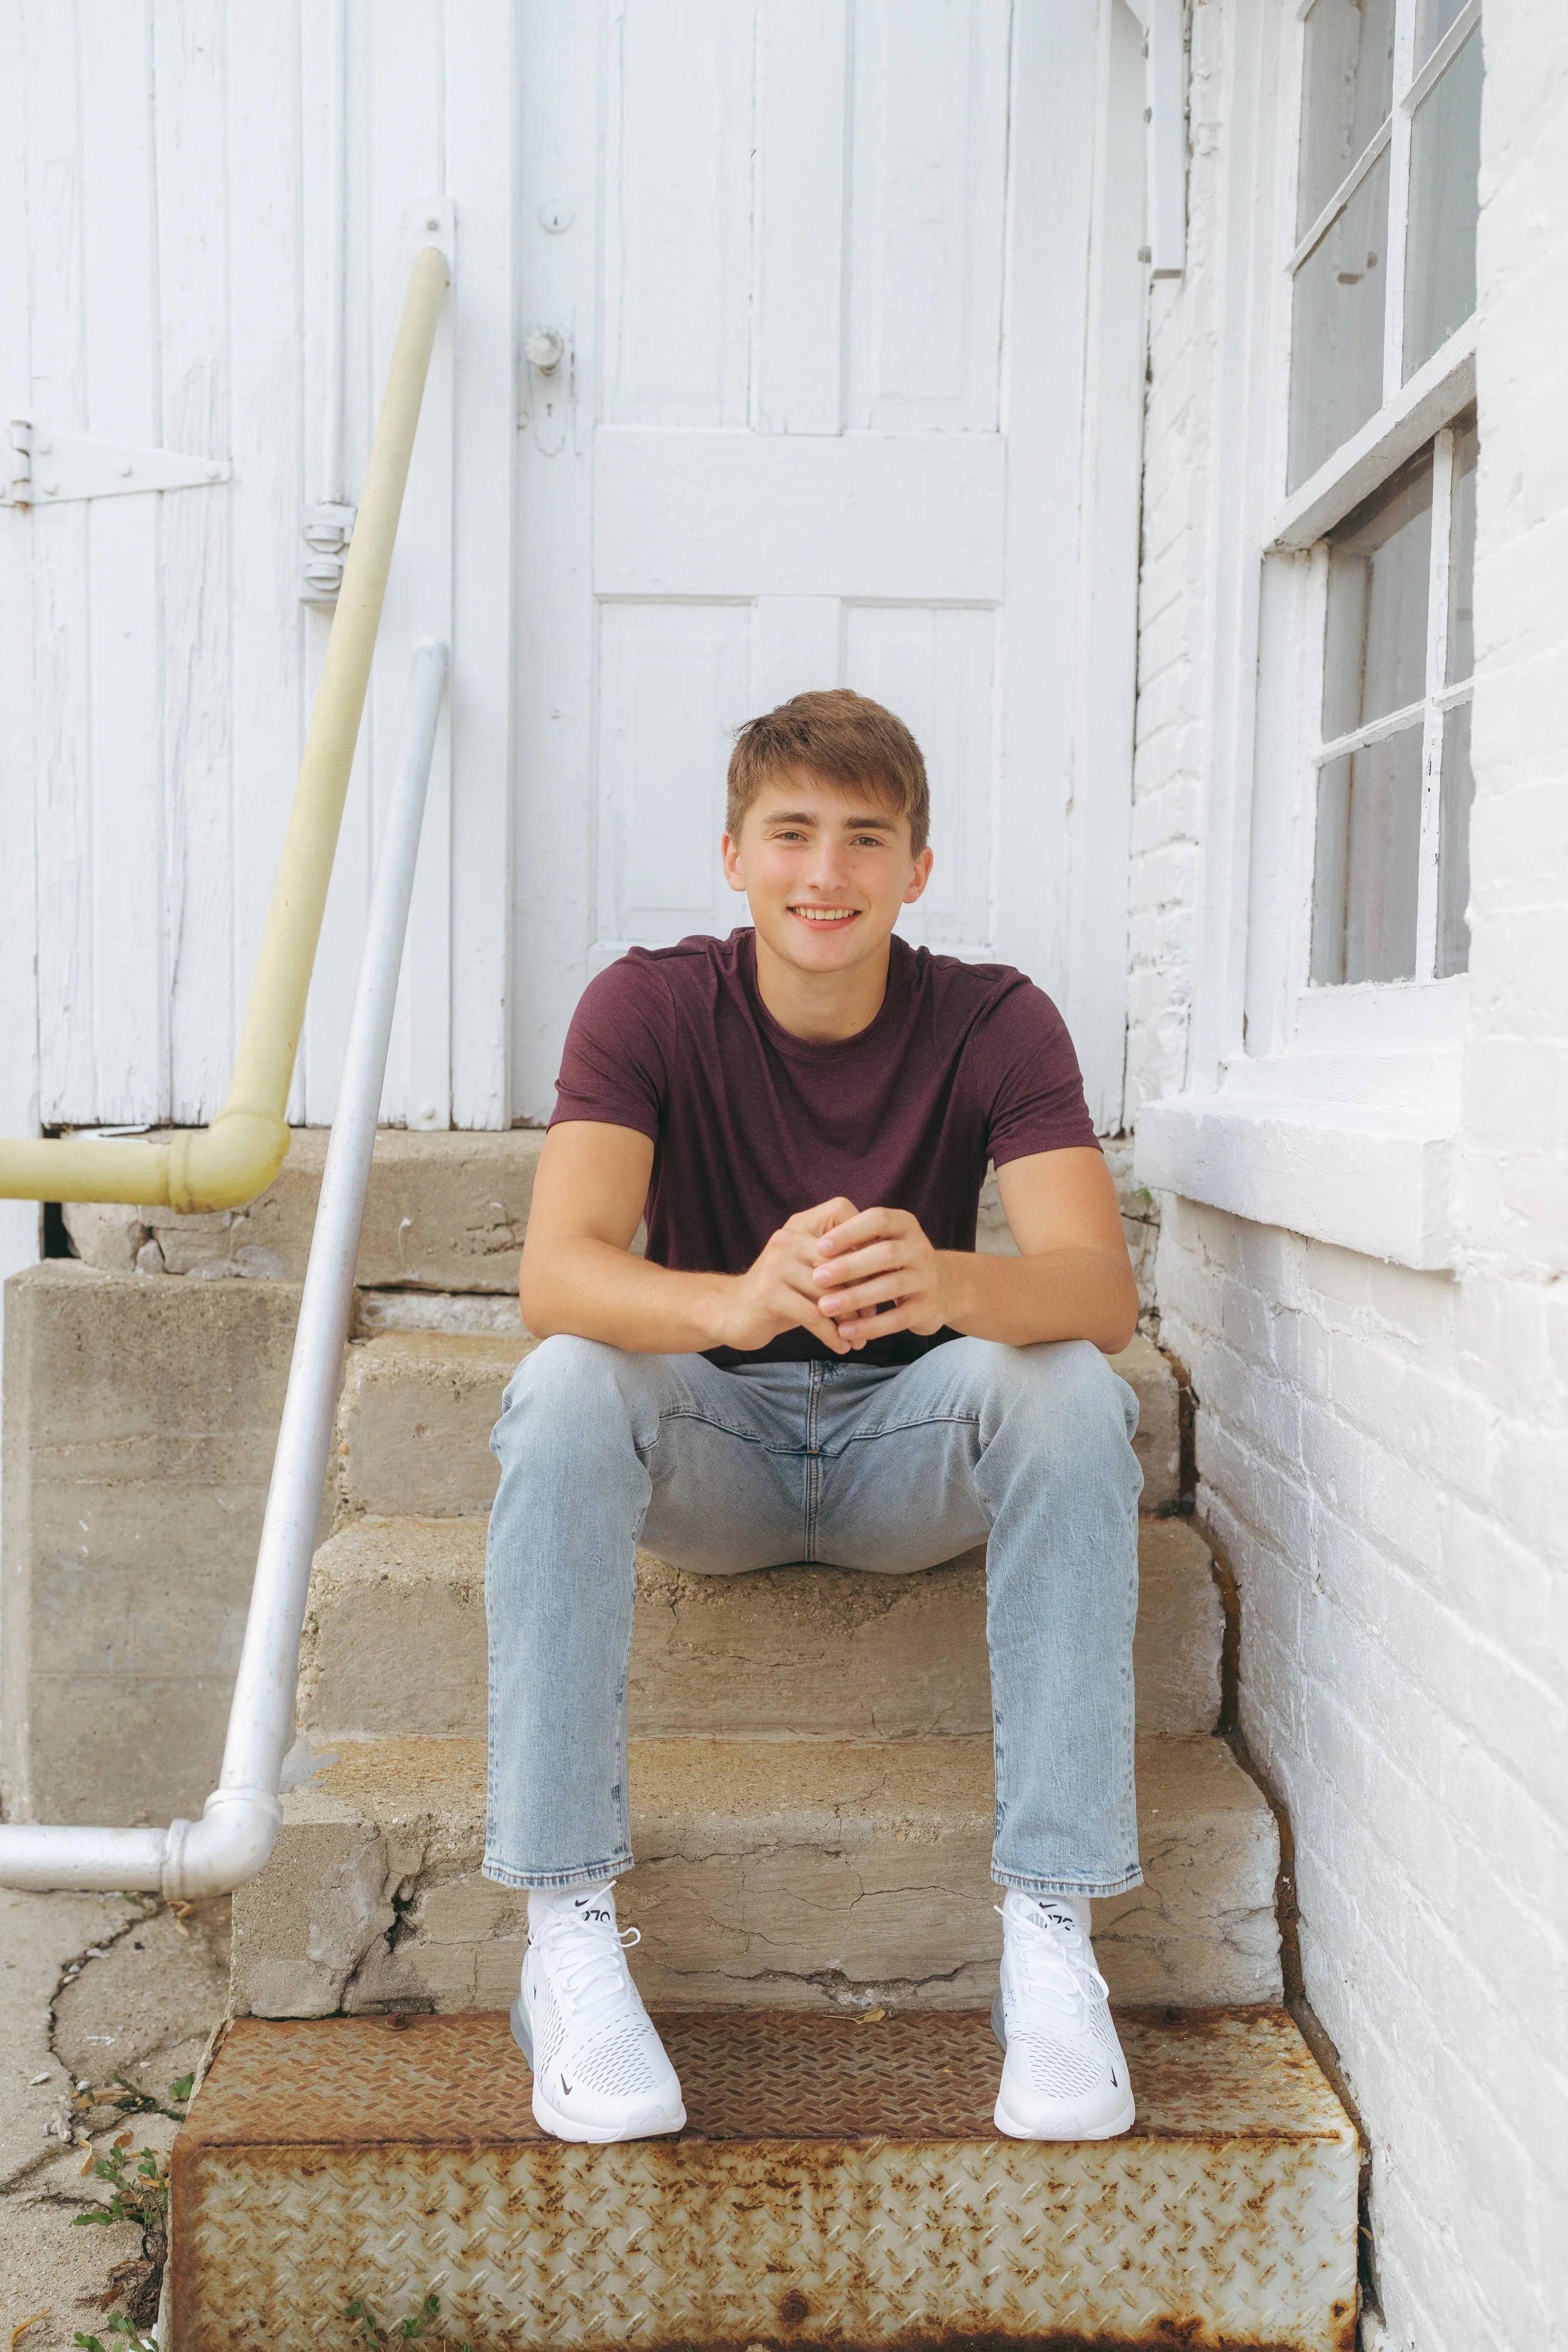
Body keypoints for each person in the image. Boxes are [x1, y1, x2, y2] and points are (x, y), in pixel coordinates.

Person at [485, 689, 1143, 2148]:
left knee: (1070, 1387)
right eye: (790, 834)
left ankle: (1048, 1933)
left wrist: (951, 1275)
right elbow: (556, 1273)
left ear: (917, 868)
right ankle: (565, 1923)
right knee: (566, 1379)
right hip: (709, 1452)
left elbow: (1099, 1293)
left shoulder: (993, 1016)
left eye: (865, 838)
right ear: (732, 856)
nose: (823, 874)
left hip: (905, 1450)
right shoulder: (649, 1002)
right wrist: (730, 1303)